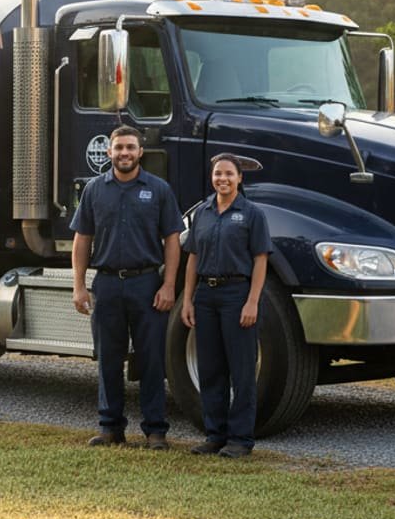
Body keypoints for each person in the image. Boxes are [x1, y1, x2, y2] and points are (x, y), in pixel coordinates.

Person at [70, 125, 180, 450]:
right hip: (105, 284)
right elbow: (82, 239)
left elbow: (172, 240)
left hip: (147, 284)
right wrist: (78, 286)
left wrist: (169, 285)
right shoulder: (93, 190)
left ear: (140, 152)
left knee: (151, 360)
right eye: (119, 148)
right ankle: (110, 428)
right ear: (109, 152)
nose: (125, 153)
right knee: (108, 358)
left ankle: (155, 431)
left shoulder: (159, 190)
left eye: (131, 147)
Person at [180, 153, 272, 458]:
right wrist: (188, 300)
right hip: (206, 295)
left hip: (237, 295)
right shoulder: (202, 213)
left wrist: (252, 302)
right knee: (210, 370)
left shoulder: (252, 214)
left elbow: (261, 260)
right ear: (212, 177)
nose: (223, 179)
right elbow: (192, 257)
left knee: (242, 371)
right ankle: (215, 435)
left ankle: (240, 440)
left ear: (239, 178)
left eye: (229, 174)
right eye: (218, 174)